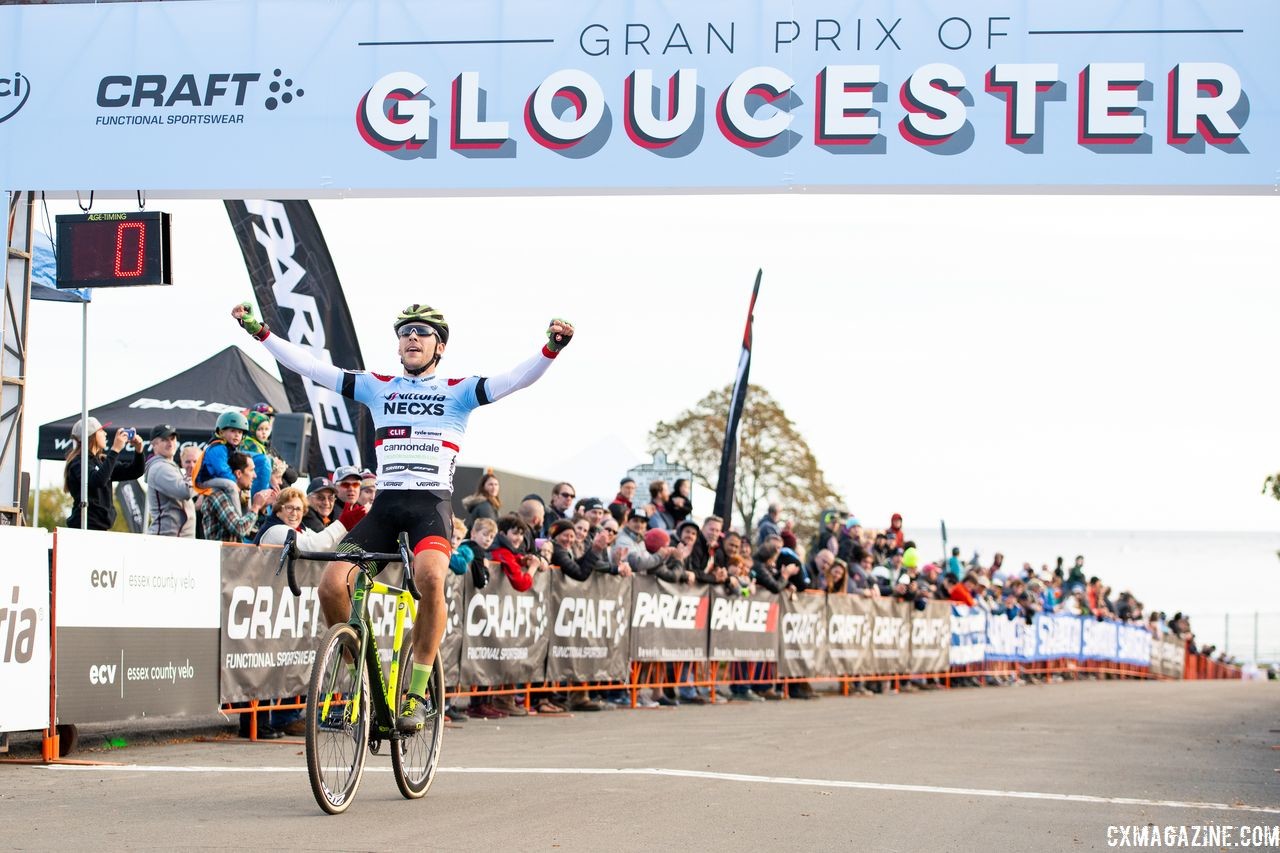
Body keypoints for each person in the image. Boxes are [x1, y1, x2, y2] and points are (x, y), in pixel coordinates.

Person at [233, 299, 571, 733]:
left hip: (430, 509)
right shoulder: (378, 386)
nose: (412, 337)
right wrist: (261, 334)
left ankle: (415, 693)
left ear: (440, 347)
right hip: (385, 509)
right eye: (405, 332)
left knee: (431, 579)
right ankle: (364, 674)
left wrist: (551, 348)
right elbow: (312, 368)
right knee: (331, 587)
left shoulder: (458, 390)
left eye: (422, 333)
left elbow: (513, 381)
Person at [64, 416, 145, 530]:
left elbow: (135, 472)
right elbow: (98, 481)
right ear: (91, 436)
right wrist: (115, 450)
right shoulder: (79, 462)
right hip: (84, 527)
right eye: (101, 431)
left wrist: (139, 450)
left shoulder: (102, 461)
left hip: (101, 528)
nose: (105, 434)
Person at [255, 487, 368, 550]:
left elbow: (328, 547)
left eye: (299, 509)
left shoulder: (303, 529)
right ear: (278, 511)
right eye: (289, 508)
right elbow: (311, 547)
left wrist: (346, 531)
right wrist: (342, 523)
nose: (294, 513)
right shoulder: (275, 530)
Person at [199, 451, 272, 542]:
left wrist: (262, 508)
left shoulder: (241, 495)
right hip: (219, 555)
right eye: (251, 470)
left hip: (234, 554)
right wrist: (256, 506)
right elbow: (240, 529)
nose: (255, 476)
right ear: (238, 473)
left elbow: (250, 532)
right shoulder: (218, 496)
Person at [144, 424, 196, 537]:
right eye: (164, 440)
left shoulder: (167, 465)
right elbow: (186, 492)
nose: (170, 443)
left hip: (174, 539)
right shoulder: (160, 467)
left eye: (172, 438)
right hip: (168, 540)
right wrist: (198, 475)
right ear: (154, 445)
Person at [194, 410, 251, 504]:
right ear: (221, 433)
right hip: (205, 481)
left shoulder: (231, 448)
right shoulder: (218, 448)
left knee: (246, 485)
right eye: (233, 431)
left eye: (240, 432)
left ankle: (247, 516)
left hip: (217, 479)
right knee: (231, 485)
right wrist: (236, 484)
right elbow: (222, 470)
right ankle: (237, 517)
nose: (237, 435)